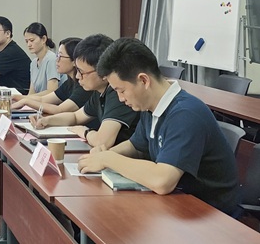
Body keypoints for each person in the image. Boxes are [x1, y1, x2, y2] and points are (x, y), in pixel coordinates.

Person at [78, 37, 240, 216]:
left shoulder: (185, 114)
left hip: (210, 215)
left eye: (121, 90)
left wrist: (109, 159)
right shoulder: (150, 107)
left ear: (144, 81)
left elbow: (163, 181)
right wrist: (102, 156)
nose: (121, 99)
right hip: (176, 206)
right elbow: (136, 146)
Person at [29, 34, 139, 148]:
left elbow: (102, 142)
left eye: (81, 72)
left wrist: (85, 131)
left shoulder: (118, 94)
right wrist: (47, 120)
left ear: (102, 72)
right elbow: (76, 117)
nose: (77, 76)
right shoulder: (99, 91)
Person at [11, 37, 93, 115]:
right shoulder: (69, 83)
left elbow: (58, 110)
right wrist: (14, 97)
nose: (57, 60)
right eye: (57, 55)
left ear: (74, 61)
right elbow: (42, 99)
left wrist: (25, 101)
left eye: (61, 56)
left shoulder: (84, 87)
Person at [23, 22, 60, 95]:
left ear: (43, 39)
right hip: (38, 100)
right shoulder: (33, 63)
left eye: (32, 40)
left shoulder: (51, 59)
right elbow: (32, 92)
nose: (29, 44)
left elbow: (52, 91)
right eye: (27, 41)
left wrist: (27, 98)